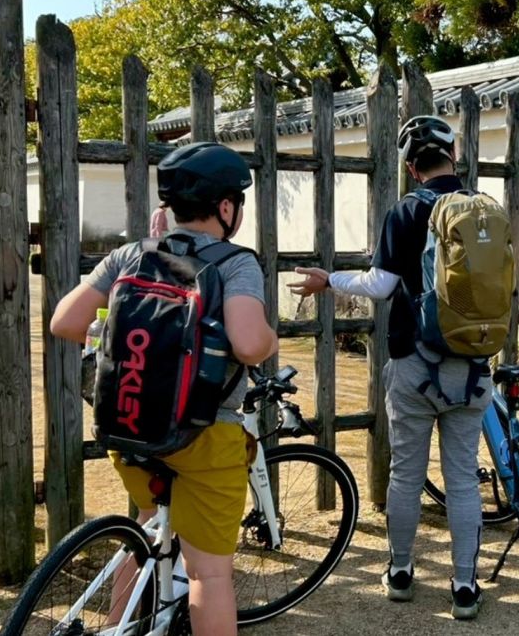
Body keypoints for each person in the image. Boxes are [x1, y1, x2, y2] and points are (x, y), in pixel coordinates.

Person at [50, 142, 278, 636]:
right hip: (203, 437)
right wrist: (270, 338)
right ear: (226, 207)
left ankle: (116, 626)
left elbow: (64, 322)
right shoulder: (236, 264)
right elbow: (248, 344)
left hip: (128, 422)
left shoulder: (132, 254)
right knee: (208, 573)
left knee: (148, 528)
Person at [290, 115, 490, 620]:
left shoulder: (407, 210)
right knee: (462, 479)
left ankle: (400, 572)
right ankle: (465, 586)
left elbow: (379, 287)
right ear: (454, 156)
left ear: (410, 167)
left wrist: (329, 280)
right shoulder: (484, 209)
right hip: (471, 365)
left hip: (415, 363)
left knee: (406, 474)